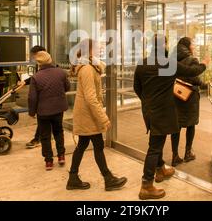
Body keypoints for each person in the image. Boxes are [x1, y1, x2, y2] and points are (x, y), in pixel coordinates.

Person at [134, 35, 202, 200]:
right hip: (163, 111)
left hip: (149, 111)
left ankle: (160, 168)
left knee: (156, 141)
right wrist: (205, 63)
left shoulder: (143, 63)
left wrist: (147, 101)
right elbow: (192, 71)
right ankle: (147, 185)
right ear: (163, 45)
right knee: (155, 147)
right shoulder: (167, 63)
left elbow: (137, 88)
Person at [67, 39, 127, 191]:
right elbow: (90, 97)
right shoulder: (87, 69)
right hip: (88, 114)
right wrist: (103, 117)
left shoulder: (91, 66)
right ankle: (108, 178)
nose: (101, 50)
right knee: (96, 145)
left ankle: (74, 178)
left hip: (87, 113)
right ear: (89, 50)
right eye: (97, 48)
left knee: (84, 145)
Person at [28, 51, 69, 171]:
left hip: (43, 111)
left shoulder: (36, 77)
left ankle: (49, 161)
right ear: (50, 59)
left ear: (38, 63)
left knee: (45, 136)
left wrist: (31, 112)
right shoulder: (61, 72)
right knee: (58, 131)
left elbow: (32, 97)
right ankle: (61, 155)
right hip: (58, 108)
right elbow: (67, 87)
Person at [170, 38, 207, 167]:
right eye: (193, 44)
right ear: (188, 46)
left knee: (177, 125)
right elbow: (193, 77)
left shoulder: (172, 58)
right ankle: (187, 153)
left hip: (175, 95)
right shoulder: (192, 60)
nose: (194, 46)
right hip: (189, 97)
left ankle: (175, 155)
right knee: (190, 125)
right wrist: (204, 85)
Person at [26, 45, 47, 149]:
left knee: (42, 121)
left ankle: (37, 139)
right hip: (48, 100)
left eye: (34, 55)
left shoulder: (46, 66)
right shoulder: (41, 65)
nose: (33, 58)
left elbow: (37, 78)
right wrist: (25, 82)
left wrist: (32, 111)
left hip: (45, 100)